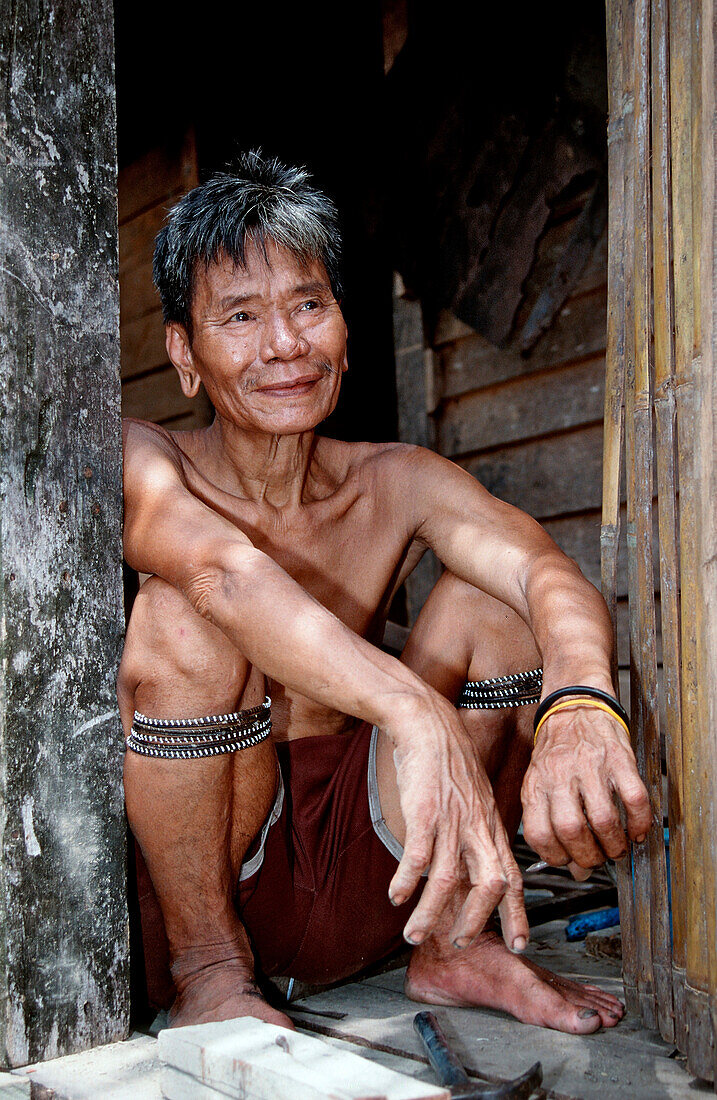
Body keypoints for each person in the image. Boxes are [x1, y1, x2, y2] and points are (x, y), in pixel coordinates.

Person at [118, 150, 651, 1036]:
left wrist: (582, 699)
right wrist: (415, 707)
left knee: (496, 601)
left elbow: (538, 568)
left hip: (386, 880)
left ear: (344, 327)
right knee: (183, 616)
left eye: (307, 305)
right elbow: (224, 573)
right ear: (184, 353)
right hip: (225, 874)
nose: (284, 345)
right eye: (240, 317)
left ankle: (452, 943)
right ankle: (209, 975)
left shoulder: (396, 480)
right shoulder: (146, 459)